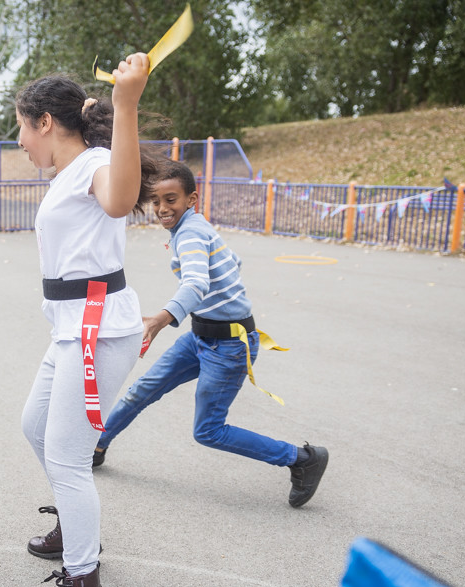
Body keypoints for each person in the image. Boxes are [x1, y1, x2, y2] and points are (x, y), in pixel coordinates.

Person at [16, 55, 161, 587]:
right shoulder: (67, 173)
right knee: (34, 428)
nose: (19, 142)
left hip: (98, 329)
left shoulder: (98, 163)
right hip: (71, 327)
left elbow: (122, 198)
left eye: (21, 128)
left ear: (45, 122)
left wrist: (125, 103)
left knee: (70, 459)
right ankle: (79, 531)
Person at [92, 159, 329, 510]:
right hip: (201, 337)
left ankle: (302, 458)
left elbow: (197, 283)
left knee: (208, 431)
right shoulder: (194, 228)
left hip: (229, 346)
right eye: (156, 201)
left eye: (171, 199)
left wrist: (159, 319)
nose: (161, 209)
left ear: (192, 199)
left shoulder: (189, 233)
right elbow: (233, 261)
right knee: (143, 389)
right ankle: (97, 447)